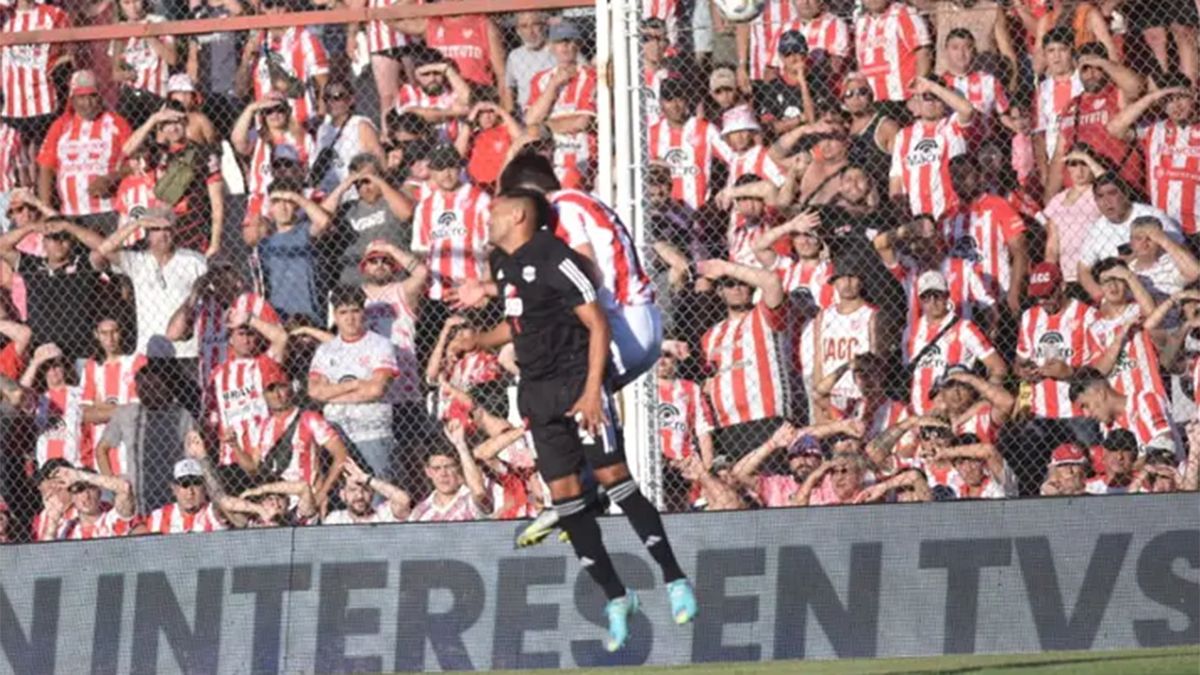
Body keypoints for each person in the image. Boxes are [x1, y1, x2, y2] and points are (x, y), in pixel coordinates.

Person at [462, 189, 696, 650]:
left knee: (614, 478)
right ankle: (616, 596)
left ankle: (674, 579)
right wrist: (478, 340)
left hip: (576, 385)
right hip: (537, 393)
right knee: (565, 498)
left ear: (519, 215)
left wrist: (593, 391)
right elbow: (519, 324)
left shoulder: (558, 257)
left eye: (494, 212)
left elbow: (598, 324)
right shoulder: (506, 266)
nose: (487, 219)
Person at [307, 285, 399, 478]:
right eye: (343, 312)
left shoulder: (380, 345)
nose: (350, 318)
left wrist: (332, 394)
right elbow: (315, 392)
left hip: (372, 431)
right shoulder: (326, 350)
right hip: (334, 433)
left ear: (363, 312)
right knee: (343, 496)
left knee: (378, 496)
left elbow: (375, 390)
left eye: (355, 311)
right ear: (335, 315)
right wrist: (356, 384)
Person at [36, 71, 132, 232]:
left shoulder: (116, 123)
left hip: (108, 210)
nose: (88, 103)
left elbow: (137, 163)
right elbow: (45, 168)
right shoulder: (60, 126)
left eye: (92, 96)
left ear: (100, 96)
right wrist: (47, 211)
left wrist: (111, 178)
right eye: (81, 97)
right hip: (71, 214)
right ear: (72, 100)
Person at [1106, 75, 1200, 236]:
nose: (1176, 105)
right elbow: (1115, 127)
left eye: (1181, 98)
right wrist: (1153, 97)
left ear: (1194, 97)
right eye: (1169, 100)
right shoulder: (1155, 130)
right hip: (1165, 227)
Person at [0, 216, 105, 359]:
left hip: (82, 352)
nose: (59, 242)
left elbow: (106, 248)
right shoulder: (32, 265)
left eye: (64, 237)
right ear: (44, 242)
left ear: (72, 240)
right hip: (42, 353)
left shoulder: (83, 264)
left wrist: (69, 227)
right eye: (53, 238)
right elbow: (2, 247)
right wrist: (30, 227)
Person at [939, 154, 1031, 316]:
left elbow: (1020, 251)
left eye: (965, 175)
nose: (960, 181)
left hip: (999, 296)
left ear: (979, 176)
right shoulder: (947, 217)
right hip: (962, 301)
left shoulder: (998, 205)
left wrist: (1014, 291)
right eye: (955, 177)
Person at [252, 358, 349, 508]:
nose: (277, 395)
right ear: (263, 394)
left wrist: (323, 493)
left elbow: (341, 455)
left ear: (291, 388)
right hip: (275, 505)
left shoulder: (310, 418)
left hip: (307, 501)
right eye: (271, 389)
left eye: (281, 388)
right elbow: (253, 467)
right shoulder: (262, 426)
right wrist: (235, 447)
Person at [206, 302, 290, 471]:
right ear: (230, 338)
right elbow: (211, 416)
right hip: (231, 458)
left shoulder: (263, 364)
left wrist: (249, 319)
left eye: (250, 334)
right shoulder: (217, 374)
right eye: (241, 334)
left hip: (265, 453)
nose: (246, 340)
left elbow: (282, 338)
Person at [1077, 173, 1181, 301]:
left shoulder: (1152, 215)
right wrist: (1103, 299)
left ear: (1125, 193)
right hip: (1127, 301)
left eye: (1112, 193)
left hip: (1164, 288)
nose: (1106, 201)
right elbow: (1083, 270)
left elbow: (1181, 249)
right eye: (1100, 196)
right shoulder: (1097, 229)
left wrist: (1134, 257)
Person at [244, 181, 333, 323]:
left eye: (288, 202)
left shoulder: (305, 231)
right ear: (271, 208)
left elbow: (324, 222)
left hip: (310, 315)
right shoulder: (264, 244)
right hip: (278, 316)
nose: (283, 208)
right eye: (277, 202)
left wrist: (296, 197)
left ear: (296, 205)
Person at [320, 154, 415, 287]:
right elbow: (319, 220)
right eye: (358, 183)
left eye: (368, 181)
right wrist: (343, 186)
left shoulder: (393, 199)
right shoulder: (348, 208)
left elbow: (406, 213)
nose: (364, 187)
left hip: (396, 279)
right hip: (355, 283)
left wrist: (379, 181)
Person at [525, 21, 598, 191]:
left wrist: (544, 125)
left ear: (578, 44)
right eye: (559, 42)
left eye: (569, 40)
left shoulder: (590, 76)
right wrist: (553, 86)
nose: (565, 46)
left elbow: (582, 122)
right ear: (551, 46)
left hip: (584, 158)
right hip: (551, 158)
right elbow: (530, 121)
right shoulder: (541, 79)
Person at [890, 76, 974, 220]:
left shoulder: (952, 125)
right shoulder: (903, 136)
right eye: (926, 97)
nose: (932, 102)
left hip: (952, 214)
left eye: (936, 97)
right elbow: (896, 179)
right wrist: (901, 214)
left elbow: (967, 110)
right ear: (917, 102)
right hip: (917, 217)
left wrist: (932, 86)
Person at [235, 0, 329, 126]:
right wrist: (247, 58)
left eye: (280, 3)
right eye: (269, 5)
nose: (275, 10)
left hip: (300, 124)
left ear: (289, 5)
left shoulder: (305, 38)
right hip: (267, 129)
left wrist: (320, 119)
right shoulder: (257, 42)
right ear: (262, 9)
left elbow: (324, 84)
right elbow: (240, 90)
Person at [647, 77, 734, 211]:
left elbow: (734, 159)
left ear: (687, 100)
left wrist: (728, 189)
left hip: (698, 213)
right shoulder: (651, 133)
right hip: (662, 214)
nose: (675, 105)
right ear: (661, 103)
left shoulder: (705, 129)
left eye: (679, 99)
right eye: (669, 100)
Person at [1069, 369, 1181, 456]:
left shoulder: (1144, 400)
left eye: (1086, 405)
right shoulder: (1107, 427)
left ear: (1100, 394)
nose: (1087, 414)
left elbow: (1164, 447)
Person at [109, 0, 177, 130]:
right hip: (130, 95)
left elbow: (171, 58)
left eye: (136, 2)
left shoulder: (158, 21)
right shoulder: (120, 29)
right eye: (127, 3)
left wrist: (148, 35)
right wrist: (125, 74)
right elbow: (115, 72)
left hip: (155, 93)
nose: (133, 7)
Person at [854, 0, 932, 106]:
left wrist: (917, 92)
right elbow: (861, 64)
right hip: (872, 100)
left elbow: (923, 54)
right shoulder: (861, 22)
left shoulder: (903, 13)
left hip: (902, 98)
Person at [314, 79, 385, 195]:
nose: (331, 102)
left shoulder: (360, 125)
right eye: (327, 98)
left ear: (351, 100)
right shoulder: (323, 130)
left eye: (337, 97)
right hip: (327, 193)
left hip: (353, 193)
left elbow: (379, 162)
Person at [409, 431, 494, 522]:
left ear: (458, 468)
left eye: (449, 466)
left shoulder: (470, 499)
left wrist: (461, 446)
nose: (443, 474)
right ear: (428, 471)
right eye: (437, 468)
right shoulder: (420, 512)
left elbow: (479, 493)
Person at [45, 465, 141, 539]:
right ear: (72, 497)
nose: (86, 496)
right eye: (79, 490)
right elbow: (45, 559)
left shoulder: (113, 519)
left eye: (91, 488)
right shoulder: (67, 528)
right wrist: (52, 522)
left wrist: (80, 476)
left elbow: (124, 488)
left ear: (99, 492)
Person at [324, 460, 411, 524]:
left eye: (365, 489)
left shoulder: (384, 515)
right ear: (342, 495)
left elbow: (403, 500)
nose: (359, 496)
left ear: (372, 492)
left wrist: (366, 478)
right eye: (353, 490)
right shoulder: (336, 519)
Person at [507, 11, 558, 115]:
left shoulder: (559, 50)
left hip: (554, 111)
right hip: (525, 113)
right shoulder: (515, 56)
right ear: (518, 31)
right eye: (524, 26)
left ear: (544, 26)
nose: (530, 31)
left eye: (535, 24)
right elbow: (508, 87)